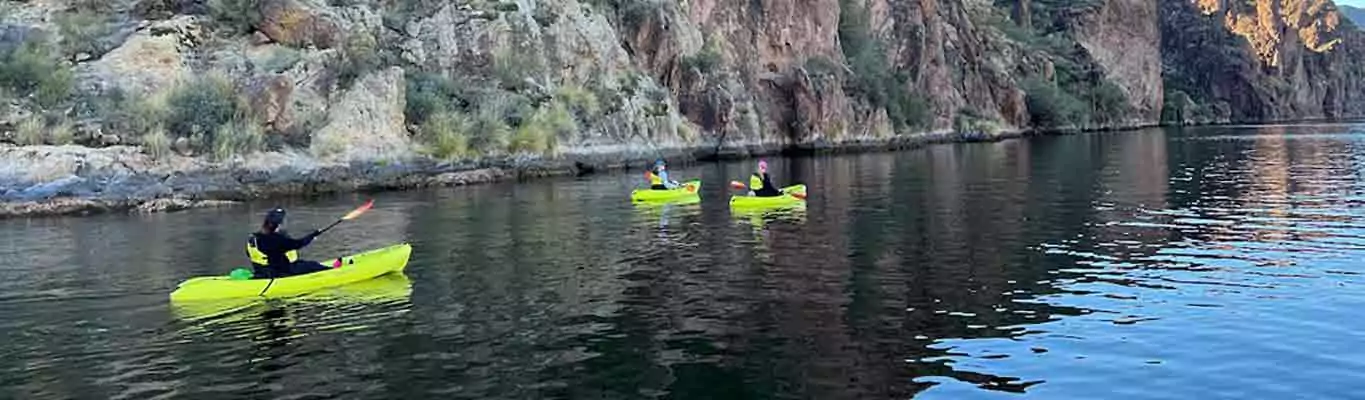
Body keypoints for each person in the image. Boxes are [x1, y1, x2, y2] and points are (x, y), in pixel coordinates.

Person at [246, 208, 336, 279]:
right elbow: (298, 244)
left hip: (261, 272)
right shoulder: (276, 239)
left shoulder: (253, 237)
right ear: (277, 225)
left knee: (303, 263)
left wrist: (312, 235)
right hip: (280, 273)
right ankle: (335, 272)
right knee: (313, 265)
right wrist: (312, 236)